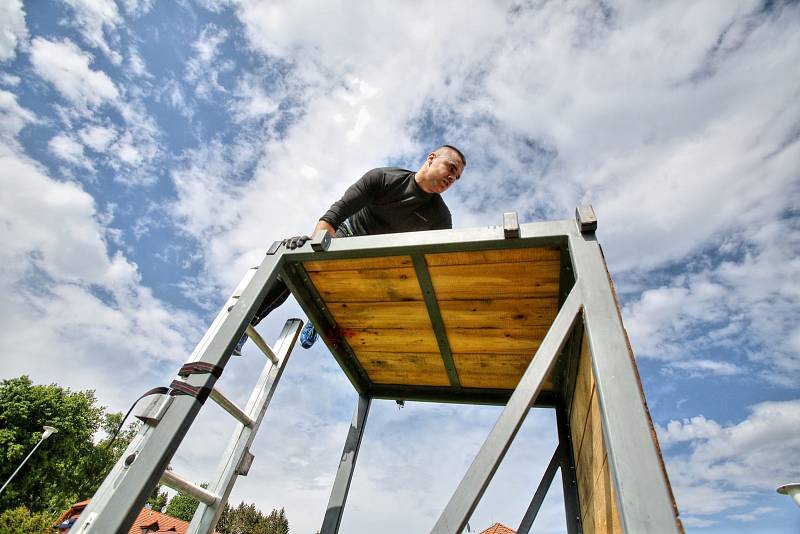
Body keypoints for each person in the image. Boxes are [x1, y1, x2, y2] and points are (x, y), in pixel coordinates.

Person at [234, 144, 466, 354]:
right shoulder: (384, 178)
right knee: (291, 266)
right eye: (451, 167)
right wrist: (311, 250)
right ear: (432, 158)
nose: (451, 178)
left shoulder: (440, 217)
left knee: (387, 287)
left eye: (456, 178)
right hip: (348, 238)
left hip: (380, 264)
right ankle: (243, 328)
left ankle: (323, 318)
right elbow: (336, 213)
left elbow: (436, 264)